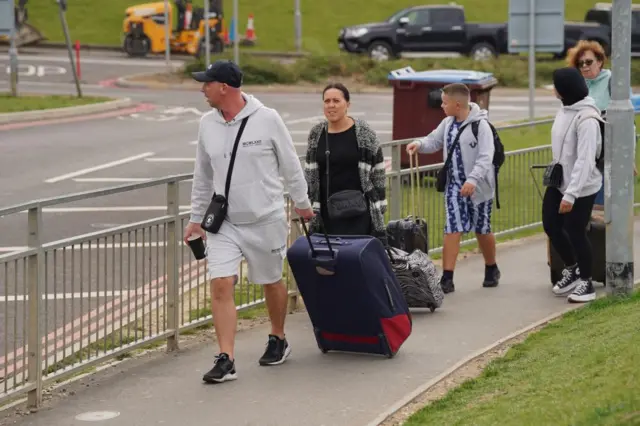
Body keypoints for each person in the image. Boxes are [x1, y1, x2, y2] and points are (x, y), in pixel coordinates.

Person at [184, 60, 315, 384]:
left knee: (271, 280)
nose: (203, 88)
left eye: (207, 83)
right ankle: (226, 358)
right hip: (225, 223)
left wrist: (303, 205)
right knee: (221, 284)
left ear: (224, 87)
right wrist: (195, 220)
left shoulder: (267, 119)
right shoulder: (206, 124)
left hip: (264, 219)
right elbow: (203, 176)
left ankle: (278, 336)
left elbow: (290, 165)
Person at [406, 83, 500, 293]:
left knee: (481, 228)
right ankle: (447, 277)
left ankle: (491, 266)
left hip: (478, 187)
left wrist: (473, 180)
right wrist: (419, 144)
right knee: (452, 228)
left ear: (457, 104)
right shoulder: (447, 123)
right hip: (454, 186)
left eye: (445, 102)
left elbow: (486, 157)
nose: (441, 105)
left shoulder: (481, 126)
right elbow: (434, 141)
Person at [543, 67, 603, 303]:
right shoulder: (565, 109)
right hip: (559, 182)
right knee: (551, 225)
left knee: (576, 231)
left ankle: (587, 283)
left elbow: (585, 160)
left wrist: (571, 195)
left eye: (556, 85)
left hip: (582, 186)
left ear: (564, 89)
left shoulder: (587, 118)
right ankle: (572, 268)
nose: (553, 89)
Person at [304, 83, 388, 240]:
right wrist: (307, 204)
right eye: (327, 101)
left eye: (336, 101)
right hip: (326, 213)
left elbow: (379, 174)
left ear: (347, 104)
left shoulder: (365, 133)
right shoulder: (316, 134)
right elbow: (310, 175)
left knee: (356, 260)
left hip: (359, 213)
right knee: (326, 261)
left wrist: (380, 208)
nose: (331, 105)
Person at [566, 40, 636, 210]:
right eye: (580, 63)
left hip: (609, 151)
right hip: (585, 151)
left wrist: (629, 156)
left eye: (589, 62)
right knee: (586, 204)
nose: (585, 66)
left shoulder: (611, 80)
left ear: (599, 61)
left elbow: (627, 121)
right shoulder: (579, 85)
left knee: (603, 204)